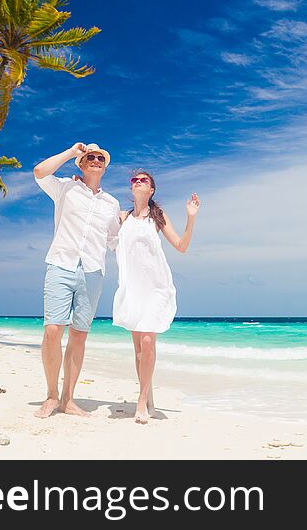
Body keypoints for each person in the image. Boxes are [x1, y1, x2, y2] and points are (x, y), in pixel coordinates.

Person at [32, 142, 121, 418]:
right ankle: (51, 395)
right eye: (90, 157)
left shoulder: (111, 204)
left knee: (79, 336)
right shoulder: (65, 188)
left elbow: (115, 241)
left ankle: (68, 399)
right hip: (61, 264)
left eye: (100, 158)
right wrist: (72, 151)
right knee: (52, 331)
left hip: (92, 272)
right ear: (82, 164)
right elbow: (38, 171)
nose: (95, 160)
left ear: (104, 167)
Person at [112, 169, 200, 423]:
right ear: (132, 188)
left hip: (155, 287)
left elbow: (181, 247)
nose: (138, 182)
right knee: (139, 349)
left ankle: (141, 402)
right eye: (134, 180)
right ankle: (147, 394)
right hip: (132, 288)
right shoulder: (122, 217)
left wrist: (190, 218)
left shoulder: (158, 216)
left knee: (149, 341)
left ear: (151, 189)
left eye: (144, 180)